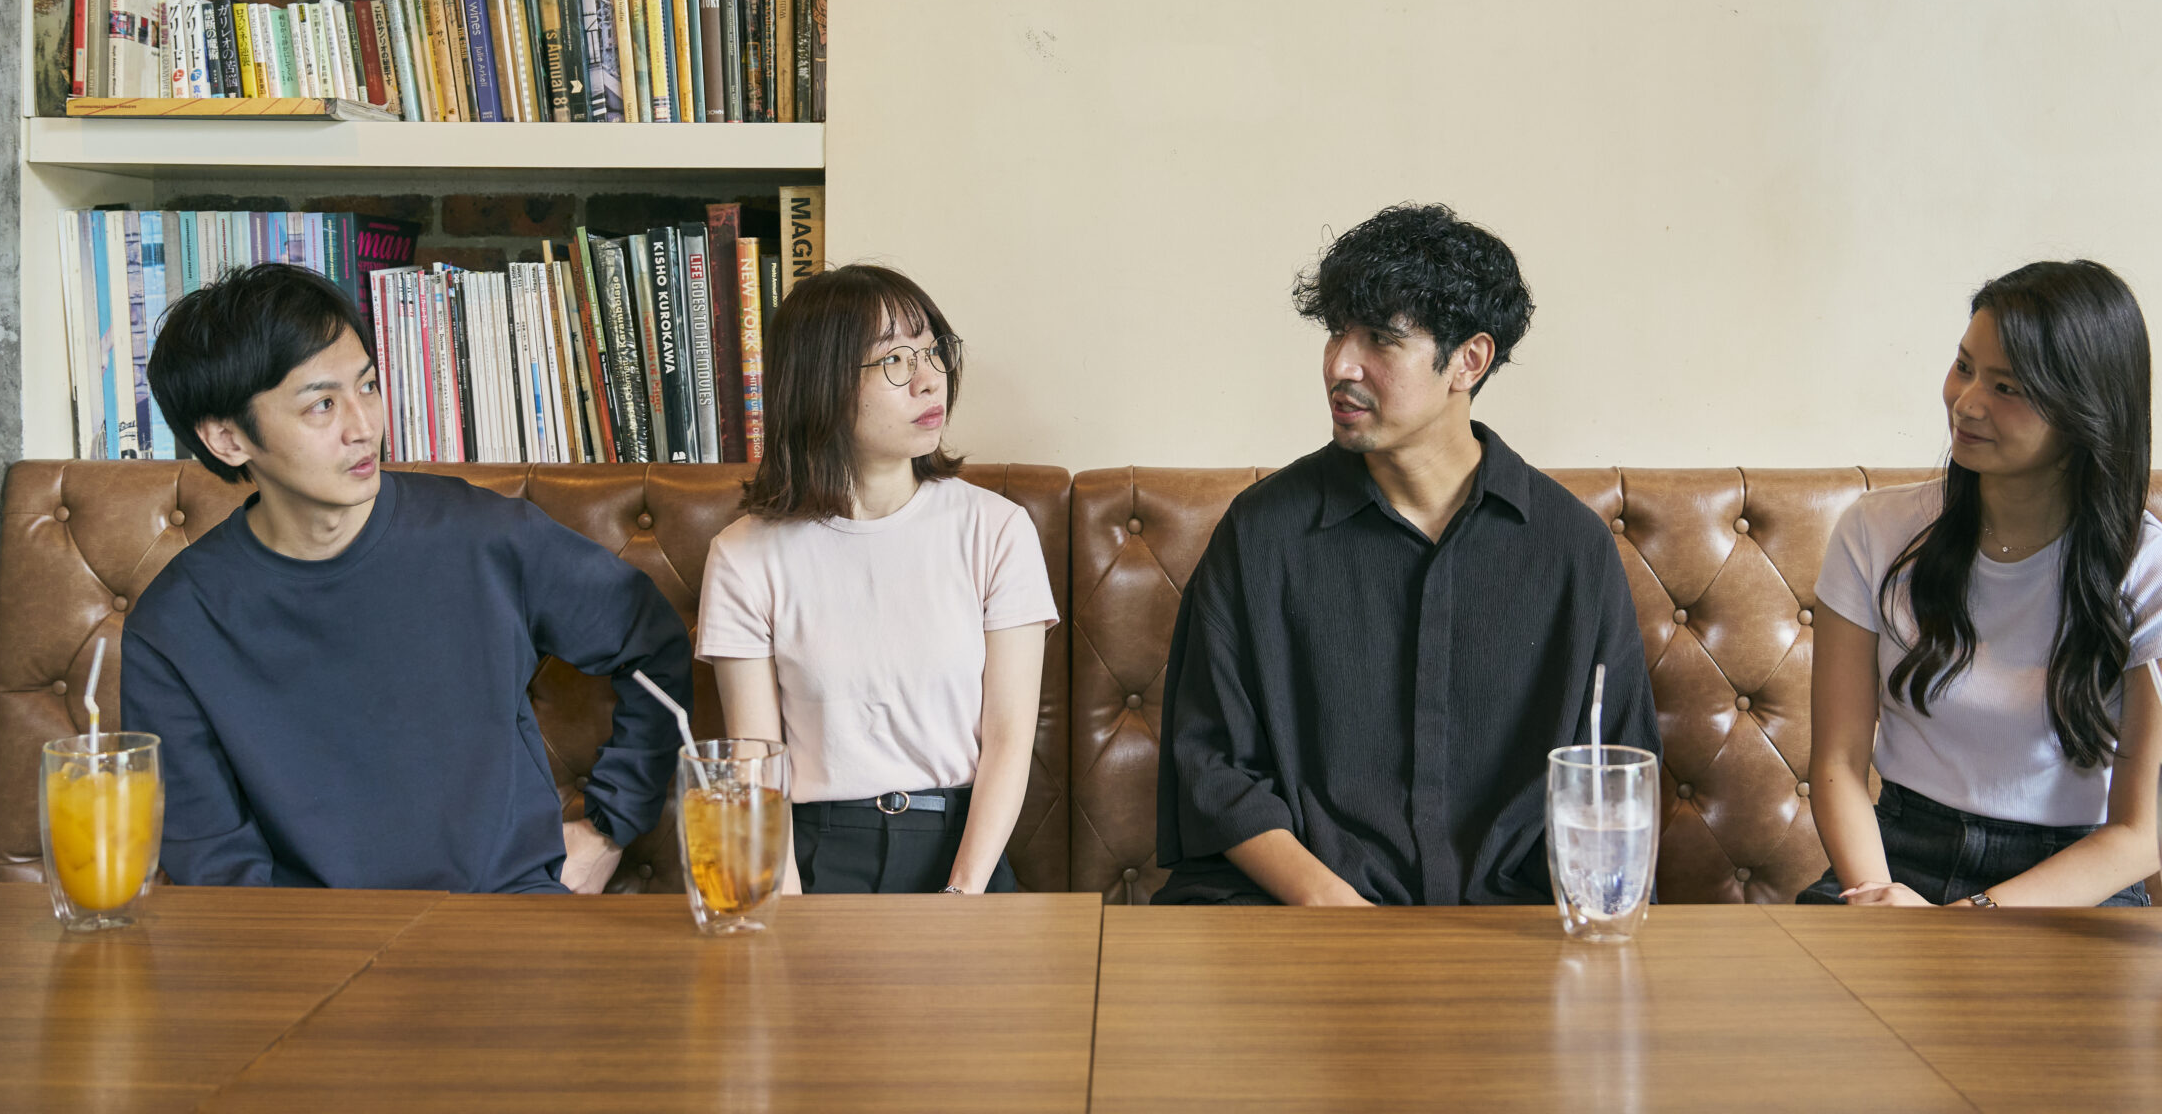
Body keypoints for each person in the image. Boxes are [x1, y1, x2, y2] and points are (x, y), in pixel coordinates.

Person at [121, 263, 694, 894]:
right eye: (321, 405)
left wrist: (609, 826)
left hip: (510, 917)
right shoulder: (175, 624)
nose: (363, 426)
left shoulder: (485, 535)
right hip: (309, 938)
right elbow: (211, 857)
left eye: (367, 386)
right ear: (228, 440)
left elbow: (653, 643)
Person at [1153, 203, 1661, 906]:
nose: (1340, 364)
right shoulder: (1261, 533)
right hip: (1292, 910)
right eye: (1336, 332)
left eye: (1380, 340)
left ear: (1469, 361)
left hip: (1505, 924)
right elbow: (1211, 766)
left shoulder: (1571, 548)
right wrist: (1334, 910)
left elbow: (1615, 779)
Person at [1801, 259, 2162, 908]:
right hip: (1897, 859)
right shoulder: (1875, 532)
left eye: (2007, 387)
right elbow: (1837, 761)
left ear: (2085, 412)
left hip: (2073, 884)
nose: (1967, 402)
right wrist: (1879, 898)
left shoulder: (2160, 579)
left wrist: (1968, 920)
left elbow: (2142, 833)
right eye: (1964, 366)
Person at [698, 265, 1057, 894]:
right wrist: (789, 910)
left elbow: (1008, 740)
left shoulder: (997, 530)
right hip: (817, 857)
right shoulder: (743, 556)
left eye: (932, 351)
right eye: (894, 360)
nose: (929, 378)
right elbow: (757, 766)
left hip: (962, 852)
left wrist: (961, 894)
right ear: (821, 384)